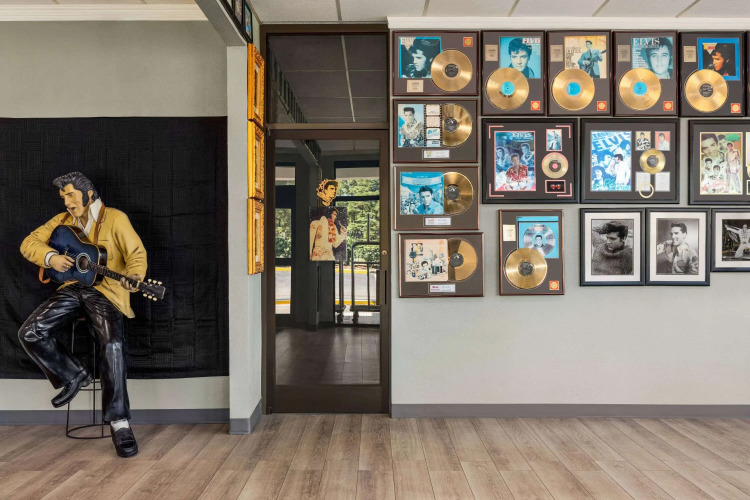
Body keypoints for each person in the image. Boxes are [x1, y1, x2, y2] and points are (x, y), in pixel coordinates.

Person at [18, 172, 146, 458]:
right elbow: (29, 243)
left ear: (88, 194)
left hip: (107, 291)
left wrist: (135, 277)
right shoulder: (62, 221)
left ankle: (119, 423)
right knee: (30, 332)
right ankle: (74, 374)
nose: (67, 202)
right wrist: (51, 258)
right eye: (63, 197)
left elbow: (136, 254)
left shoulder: (116, 218)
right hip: (73, 288)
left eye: (70, 195)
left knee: (113, 345)